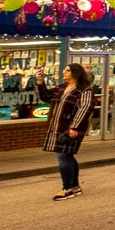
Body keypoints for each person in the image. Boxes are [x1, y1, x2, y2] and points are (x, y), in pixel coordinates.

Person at [36, 64, 95, 200]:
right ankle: (74, 186)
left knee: (63, 156)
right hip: (57, 127)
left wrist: (74, 127)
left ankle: (67, 188)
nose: (64, 72)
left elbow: (85, 109)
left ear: (75, 73)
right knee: (67, 156)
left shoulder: (84, 90)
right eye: (64, 70)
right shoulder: (61, 88)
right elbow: (45, 97)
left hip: (70, 128)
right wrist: (40, 82)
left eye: (67, 70)